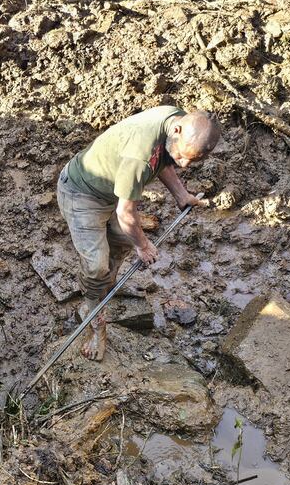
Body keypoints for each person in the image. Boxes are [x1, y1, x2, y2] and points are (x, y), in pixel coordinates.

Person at [57, 106, 221, 361]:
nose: (185, 165)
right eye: (183, 156)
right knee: (95, 264)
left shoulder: (174, 123)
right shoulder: (141, 155)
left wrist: (181, 194)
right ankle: (95, 323)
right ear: (177, 130)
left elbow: (162, 160)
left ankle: (100, 291)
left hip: (111, 190)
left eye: (193, 160)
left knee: (122, 242)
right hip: (81, 193)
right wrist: (143, 246)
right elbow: (126, 214)